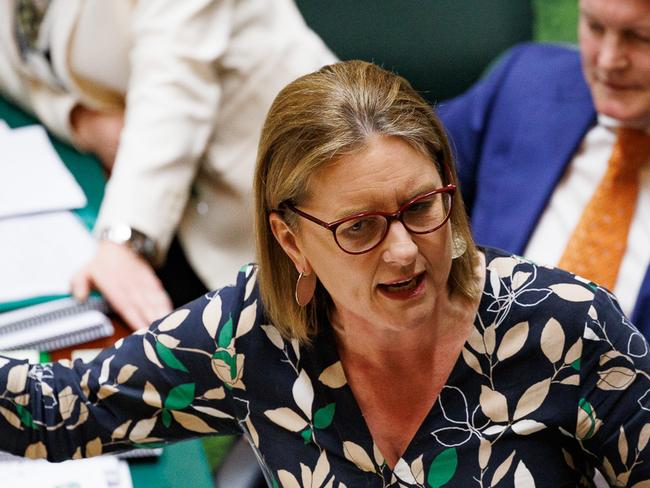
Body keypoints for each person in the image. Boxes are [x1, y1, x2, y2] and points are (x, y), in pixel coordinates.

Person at [0, 60, 649, 487]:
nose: (403, 250)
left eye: (421, 207)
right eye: (359, 227)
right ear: (291, 240)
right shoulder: (249, 336)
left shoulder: (571, 329)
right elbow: (58, 412)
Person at [0, 0, 335, 329]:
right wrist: (80, 120)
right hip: (161, 204)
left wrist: (124, 240)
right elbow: (15, 62)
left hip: (276, 202)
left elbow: (174, 84)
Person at [436, 0, 650, 337]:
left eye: (640, 38)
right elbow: (402, 162)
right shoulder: (527, 81)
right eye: (595, 27)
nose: (608, 61)